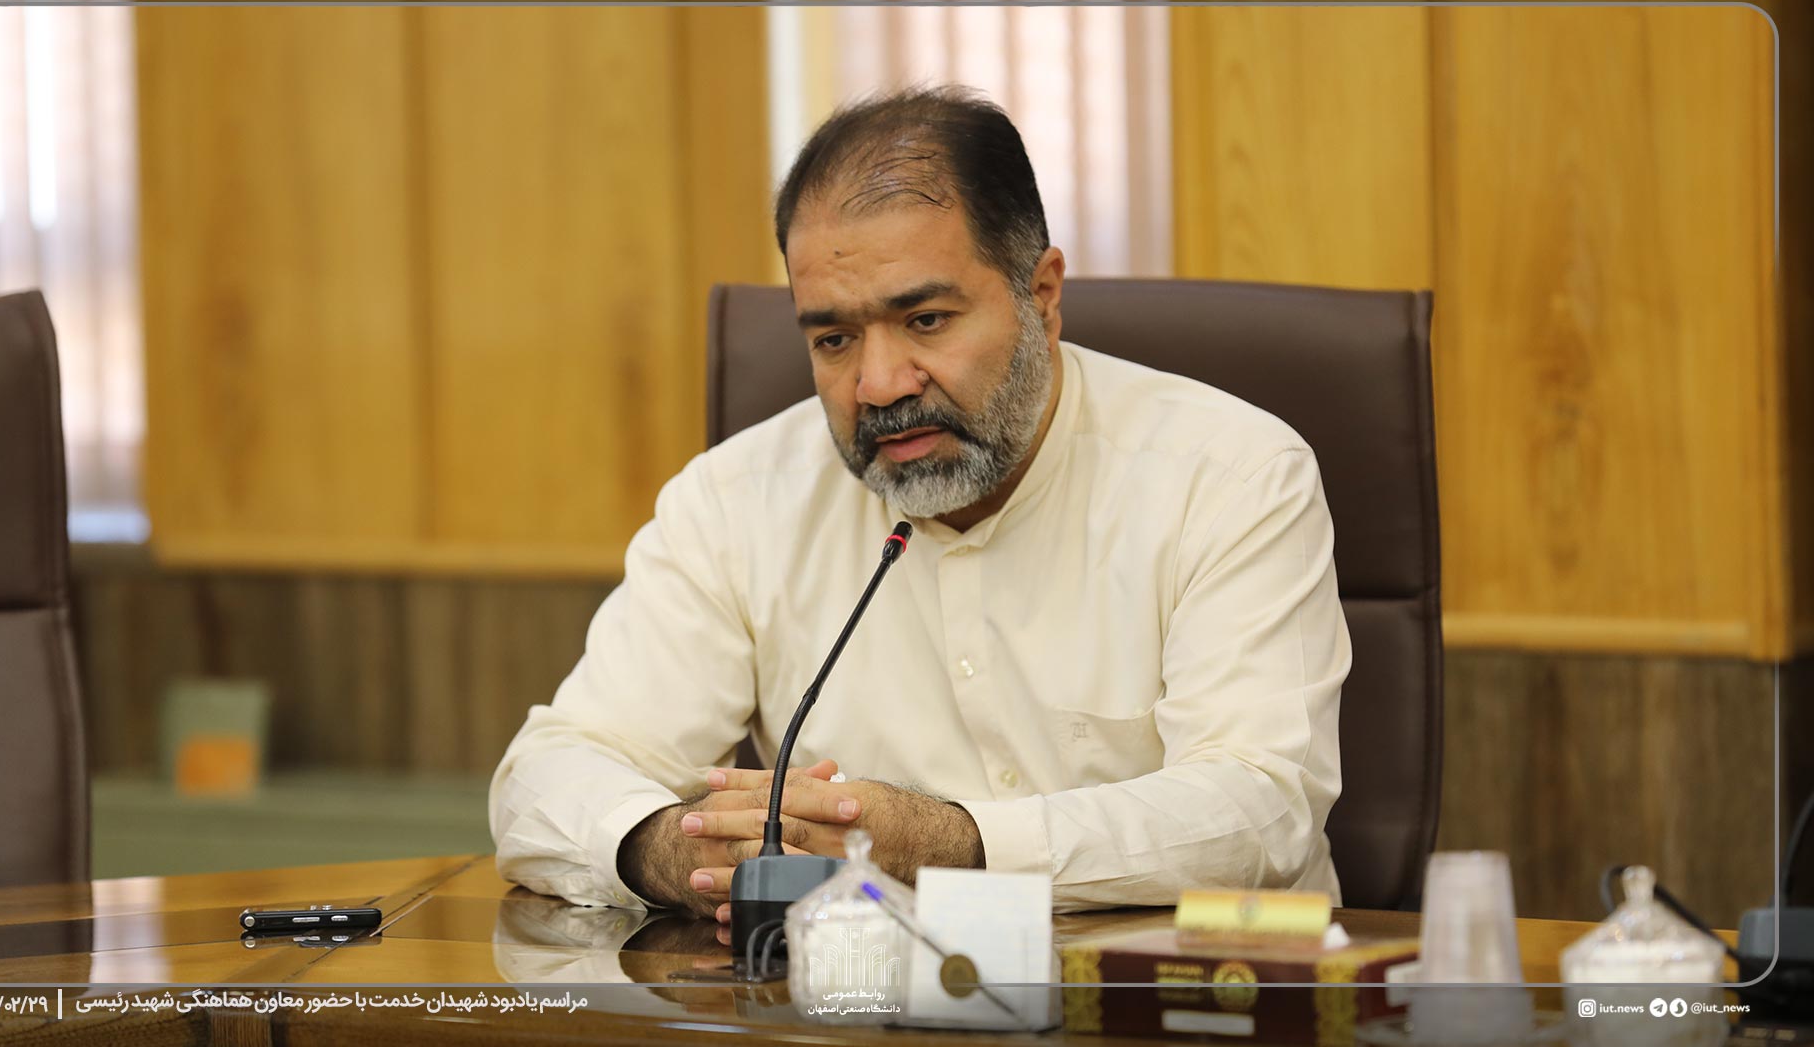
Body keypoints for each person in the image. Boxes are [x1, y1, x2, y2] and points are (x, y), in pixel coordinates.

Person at [489, 85, 1348, 932]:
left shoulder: (1229, 474)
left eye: (927, 320)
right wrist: (673, 850)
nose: (879, 385)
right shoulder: (735, 500)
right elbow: (550, 773)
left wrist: (949, 844)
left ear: (1042, 296)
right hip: (862, 995)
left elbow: (1261, 807)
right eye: (833, 339)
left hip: (1178, 991)